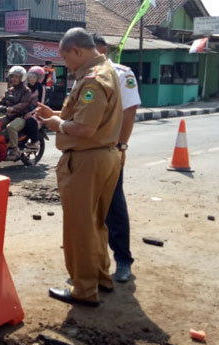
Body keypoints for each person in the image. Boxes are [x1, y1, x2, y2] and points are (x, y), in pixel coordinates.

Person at [35, 27, 122, 307]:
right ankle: (100, 277)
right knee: (96, 223)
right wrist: (58, 115)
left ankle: (84, 289)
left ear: (77, 50)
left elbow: (84, 127)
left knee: (80, 226)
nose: (65, 65)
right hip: (104, 155)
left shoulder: (92, 80)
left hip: (87, 159)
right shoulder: (106, 71)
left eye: (65, 58)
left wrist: (57, 124)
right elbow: (85, 116)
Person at [93, 33, 141, 283]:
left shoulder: (122, 74)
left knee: (113, 204)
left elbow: (130, 110)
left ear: (102, 50)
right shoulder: (85, 75)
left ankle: (123, 260)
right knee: (88, 210)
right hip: (85, 153)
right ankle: (92, 262)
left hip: (110, 150)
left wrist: (122, 146)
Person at [0, 66, 32, 160]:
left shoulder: (26, 91)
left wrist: (13, 108)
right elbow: (2, 102)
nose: (14, 79)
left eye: (17, 77)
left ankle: (15, 149)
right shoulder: (9, 91)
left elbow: (24, 103)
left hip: (21, 117)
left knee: (11, 127)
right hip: (9, 116)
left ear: (22, 78)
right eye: (12, 76)